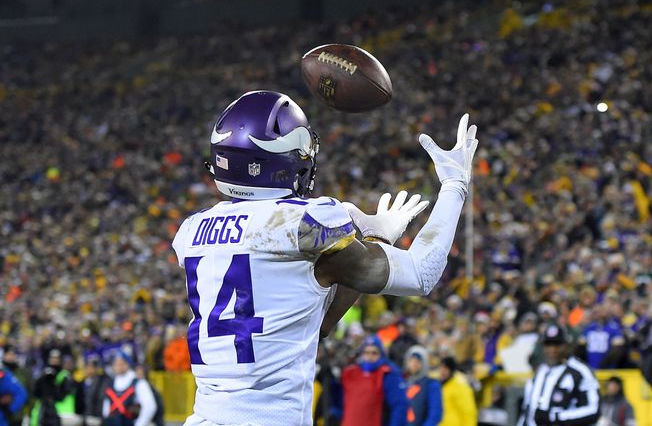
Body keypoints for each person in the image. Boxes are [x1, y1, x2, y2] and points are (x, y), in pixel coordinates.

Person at [171, 90, 478, 426]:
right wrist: (454, 185)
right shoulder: (303, 223)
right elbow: (422, 273)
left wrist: (376, 238)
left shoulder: (190, 232)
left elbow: (316, 321)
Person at [517, 325, 600, 426]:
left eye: (557, 344)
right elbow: (527, 410)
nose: (552, 349)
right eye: (548, 344)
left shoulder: (581, 371)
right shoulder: (540, 372)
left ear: (566, 345)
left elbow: (594, 410)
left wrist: (555, 417)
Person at [340, 335, 408, 426]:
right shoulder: (352, 373)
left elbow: (400, 406)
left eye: (374, 353)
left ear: (381, 354)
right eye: (366, 352)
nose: (370, 356)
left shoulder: (388, 374)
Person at [102, 352, 157, 426]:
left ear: (127, 364)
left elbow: (150, 407)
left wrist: (139, 424)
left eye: (121, 363)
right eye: (116, 363)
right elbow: (106, 409)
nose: (118, 366)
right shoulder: (110, 383)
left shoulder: (138, 382)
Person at [403, 346, 442, 426]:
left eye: (418, 361)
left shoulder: (431, 385)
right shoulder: (402, 382)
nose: (414, 364)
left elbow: (435, 414)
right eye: (411, 361)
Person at [438, 357, 476, 426]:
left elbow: (468, 413)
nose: (442, 371)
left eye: (445, 369)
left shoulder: (461, 387)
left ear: (451, 370)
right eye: (441, 368)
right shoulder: (442, 385)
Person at [78, 356, 108, 426]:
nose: (89, 370)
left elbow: (101, 400)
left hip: (96, 416)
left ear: (97, 369)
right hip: (84, 416)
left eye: (92, 367)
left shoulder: (102, 381)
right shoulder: (82, 382)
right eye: (87, 367)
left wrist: (98, 416)